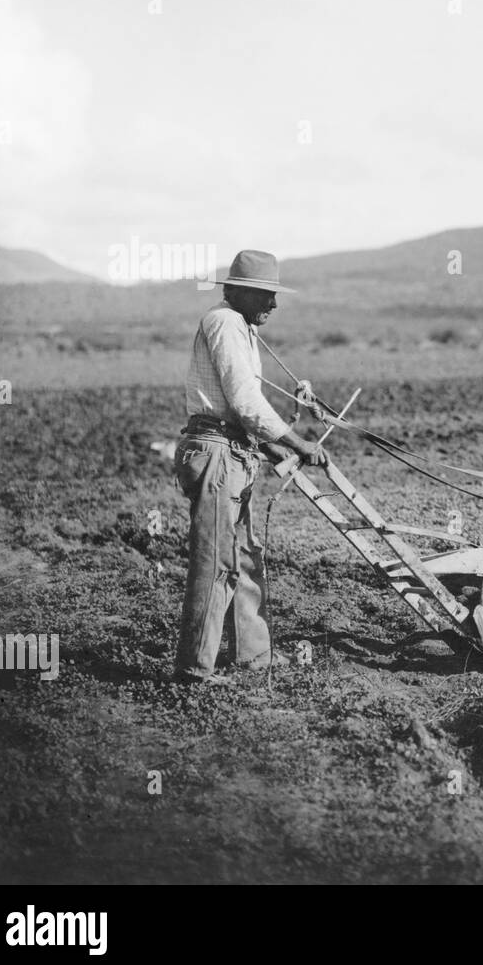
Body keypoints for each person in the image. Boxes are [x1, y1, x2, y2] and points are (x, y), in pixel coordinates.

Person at [172, 249, 327, 684]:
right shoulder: (223, 322)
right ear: (233, 290)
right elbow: (243, 401)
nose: (273, 305)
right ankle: (194, 671)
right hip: (216, 452)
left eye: (274, 296)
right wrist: (297, 441)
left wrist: (278, 450)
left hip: (234, 450)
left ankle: (253, 657)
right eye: (264, 295)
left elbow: (241, 411)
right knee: (217, 561)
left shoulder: (240, 325)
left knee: (242, 558)